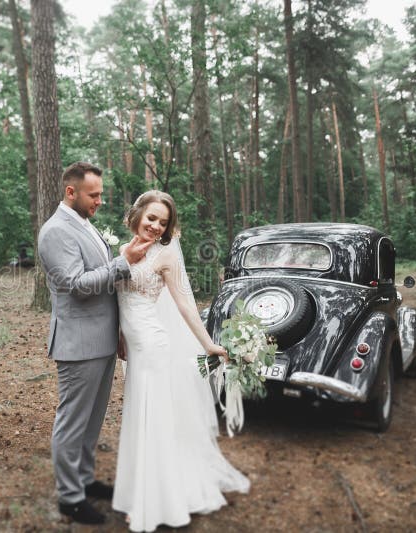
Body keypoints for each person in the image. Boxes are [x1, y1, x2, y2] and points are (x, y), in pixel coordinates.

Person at [113, 191, 250, 532]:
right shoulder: (123, 251)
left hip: (154, 347)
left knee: (153, 420)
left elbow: (186, 305)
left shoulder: (166, 256)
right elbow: (119, 300)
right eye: (151, 218)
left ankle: (156, 502)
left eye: (163, 222)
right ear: (137, 215)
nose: (156, 226)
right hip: (133, 348)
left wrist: (209, 345)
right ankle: (137, 493)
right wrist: (118, 337)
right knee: (138, 419)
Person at [37, 162, 152, 525]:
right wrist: (124, 262)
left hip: (101, 340)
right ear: (71, 192)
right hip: (78, 343)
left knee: (92, 421)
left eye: (100, 194)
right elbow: (77, 284)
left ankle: (84, 481)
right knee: (72, 422)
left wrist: (119, 329)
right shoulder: (55, 231)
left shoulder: (83, 223)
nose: (99, 201)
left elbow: (102, 288)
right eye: (94, 195)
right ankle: (70, 498)